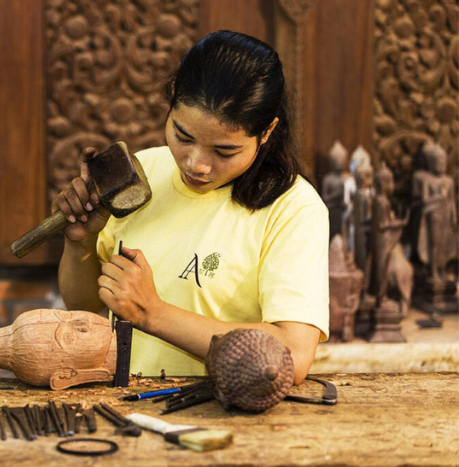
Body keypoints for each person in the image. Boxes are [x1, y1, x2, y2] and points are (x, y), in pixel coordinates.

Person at [54, 30, 329, 385]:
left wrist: (152, 313)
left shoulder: (293, 209)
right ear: (171, 101)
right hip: (123, 407)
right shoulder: (145, 172)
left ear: (267, 132)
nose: (196, 164)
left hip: (225, 417)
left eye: (225, 151)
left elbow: (292, 354)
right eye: (183, 137)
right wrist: (80, 243)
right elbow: (86, 309)